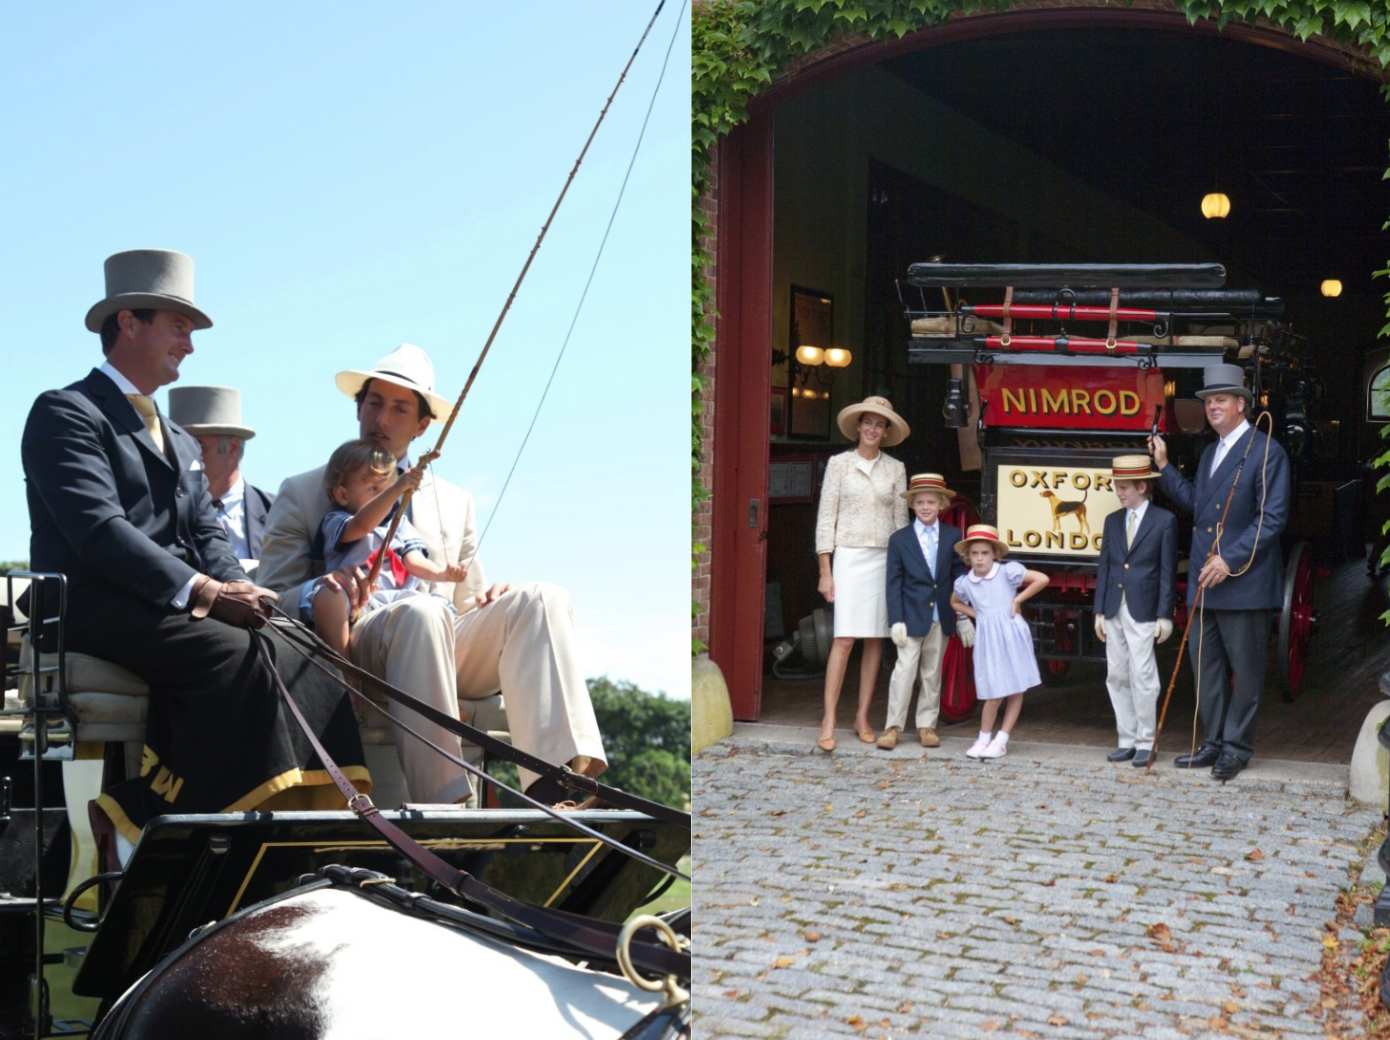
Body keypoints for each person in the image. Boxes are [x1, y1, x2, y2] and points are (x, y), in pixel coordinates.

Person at [21, 249, 367, 859]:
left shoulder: (180, 438)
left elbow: (207, 534)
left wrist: (245, 590)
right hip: (99, 604)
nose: (189, 344)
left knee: (301, 641)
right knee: (235, 653)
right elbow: (99, 531)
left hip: (169, 604)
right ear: (129, 323)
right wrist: (207, 593)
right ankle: (163, 829)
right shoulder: (65, 413)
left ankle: (308, 834)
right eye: (179, 326)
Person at [258, 344, 605, 806]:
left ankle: (558, 791)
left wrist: (492, 599)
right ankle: (447, 805)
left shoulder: (456, 502)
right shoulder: (304, 491)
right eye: (374, 403)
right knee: (420, 613)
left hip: (441, 638)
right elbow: (273, 600)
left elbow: (466, 604)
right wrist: (326, 588)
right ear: (358, 408)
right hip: (358, 643)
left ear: (423, 426)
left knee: (541, 597)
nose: (382, 418)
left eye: (400, 408)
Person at [1150, 363, 1290, 780]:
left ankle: (1236, 747)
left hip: (1243, 581)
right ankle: (1212, 742)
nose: (1212, 406)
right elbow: (1197, 503)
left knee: (1244, 674)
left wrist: (1229, 558)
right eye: (1208, 400)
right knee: (1204, 668)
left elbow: (1273, 517)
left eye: (1220, 400)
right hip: (1203, 583)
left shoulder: (1268, 450)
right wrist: (1163, 466)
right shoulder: (1211, 452)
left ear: (1241, 404)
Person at [309, 439, 466, 664]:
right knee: (329, 594)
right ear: (343, 495)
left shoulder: (400, 525)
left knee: (428, 609)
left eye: (388, 488)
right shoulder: (336, 521)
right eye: (373, 489)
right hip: (354, 603)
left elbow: (413, 561)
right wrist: (396, 489)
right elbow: (363, 526)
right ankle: (343, 669)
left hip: (395, 603)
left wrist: (442, 574)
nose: (387, 497)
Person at [813, 395, 910, 752]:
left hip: (884, 559)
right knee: (844, 639)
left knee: (875, 639)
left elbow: (902, 525)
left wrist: (901, 571)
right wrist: (826, 570)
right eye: (867, 422)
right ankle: (828, 719)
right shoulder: (838, 464)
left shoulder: (895, 469)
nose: (872, 429)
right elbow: (826, 518)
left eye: (879, 424)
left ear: (886, 432)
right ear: (858, 426)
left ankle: (862, 716)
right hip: (849, 557)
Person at [1092, 455, 1178, 768]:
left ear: (1143, 486)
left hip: (1143, 609)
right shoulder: (1113, 520)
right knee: (1115, 675)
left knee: (1144, 676)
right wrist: (1099, 610)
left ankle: (1146, 741)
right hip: (1114, 608)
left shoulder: (1164, 520)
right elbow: (1105, 567)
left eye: (1124, 487)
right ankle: (1126, 739)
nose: (1119, 492)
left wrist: (1164, 614)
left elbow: (1167, 571)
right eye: (1117, 486)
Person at [878, 473, 970, 751]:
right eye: (921, 502)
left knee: (932, 673)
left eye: (932, 502)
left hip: (940, 616)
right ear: (912, 505)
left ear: (942, 504)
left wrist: (963, 615)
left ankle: (926, 725)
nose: (926, 507)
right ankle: (893, 726)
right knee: (904, 672)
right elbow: (893, 583)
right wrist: (896, 620)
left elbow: (959, 579)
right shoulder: (899, 539)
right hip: (911, 617)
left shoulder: (953, 536)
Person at [949, 524, 1047, 760]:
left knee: (1015, 686)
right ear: (968, 556)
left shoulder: (1006, 572)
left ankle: (1001, 739)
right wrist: (977, 614)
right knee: (993, 689)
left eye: (985, 553)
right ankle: (983, 737)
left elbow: (1042, 579)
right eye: (975, 554)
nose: (980, 559)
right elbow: (954, 602)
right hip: (987, 636)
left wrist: (1016, 601)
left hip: (1011, 632)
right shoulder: (965, 582)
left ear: (994, 554)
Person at [168, 385, 275, 559]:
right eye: (177, 446)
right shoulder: (158, 514)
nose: (184, 456)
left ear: (232, 448)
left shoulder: (278, 513)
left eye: (197, 445)